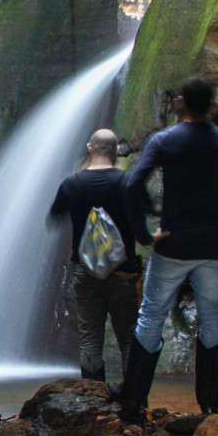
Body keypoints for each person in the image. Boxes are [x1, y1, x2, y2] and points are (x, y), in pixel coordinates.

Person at [118, 75, 218, 422]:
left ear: (181, 102)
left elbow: (132, 185)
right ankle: (211, 407)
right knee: (212, 322)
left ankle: (133, 402)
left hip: (173, 244)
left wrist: (143, 235)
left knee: (151, 318)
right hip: (213, 246)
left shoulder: (165, 141)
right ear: (213, 106)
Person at [48, 129, 144, 382]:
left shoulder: (72, 184)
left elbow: (54, 217)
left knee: (89, 337)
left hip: (86, 272)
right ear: (115, 151)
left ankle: (94, 400)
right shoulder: (128, 183)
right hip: (123, 273)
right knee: (129, 338)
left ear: (90, 148)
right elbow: (143, 223)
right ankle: (132, 402)